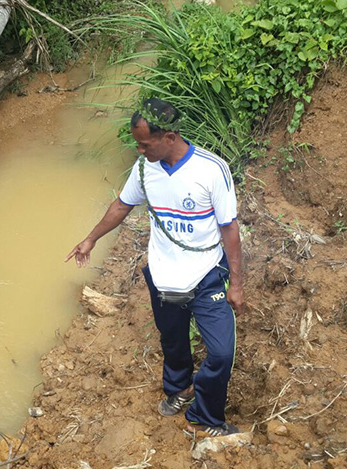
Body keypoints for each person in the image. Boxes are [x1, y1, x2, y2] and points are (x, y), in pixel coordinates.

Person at [65, 98, 244, 437]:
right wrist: (90, 239)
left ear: (171, 137)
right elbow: (122, 206)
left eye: (145, 144)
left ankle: (205, 416)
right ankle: (178, 391)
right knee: (173, 342)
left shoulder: (210, 170)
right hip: (163, 278)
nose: (140, 150)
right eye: (137, 143)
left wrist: (236, 283)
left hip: (207, 276)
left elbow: (230, 229)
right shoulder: (145, 169)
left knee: (221, 352)